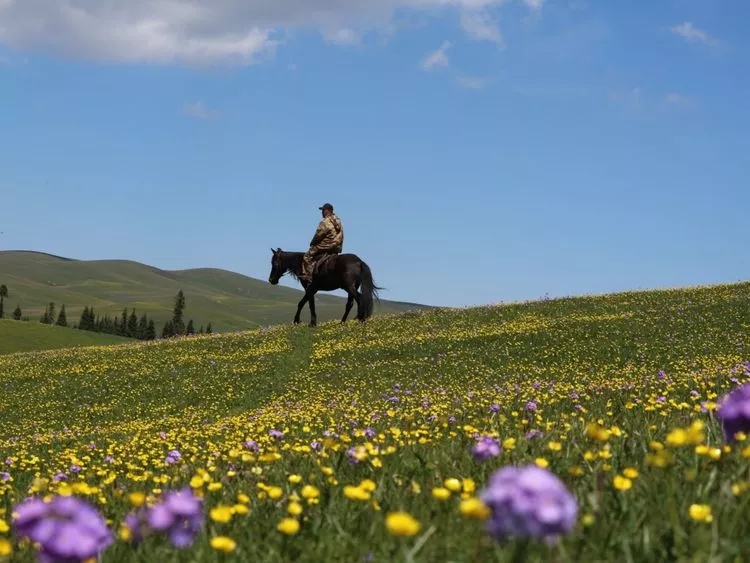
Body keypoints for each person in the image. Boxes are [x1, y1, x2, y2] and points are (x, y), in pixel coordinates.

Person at [300, 203, 344, 282]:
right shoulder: (338, 220)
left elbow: (318, 235)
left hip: (326, 245)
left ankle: (308, 275)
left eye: (323, 210)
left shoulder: (325, 222)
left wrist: (312, 243)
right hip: (337, 246)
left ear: (327, 211)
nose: (322, 212)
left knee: (307, 256)